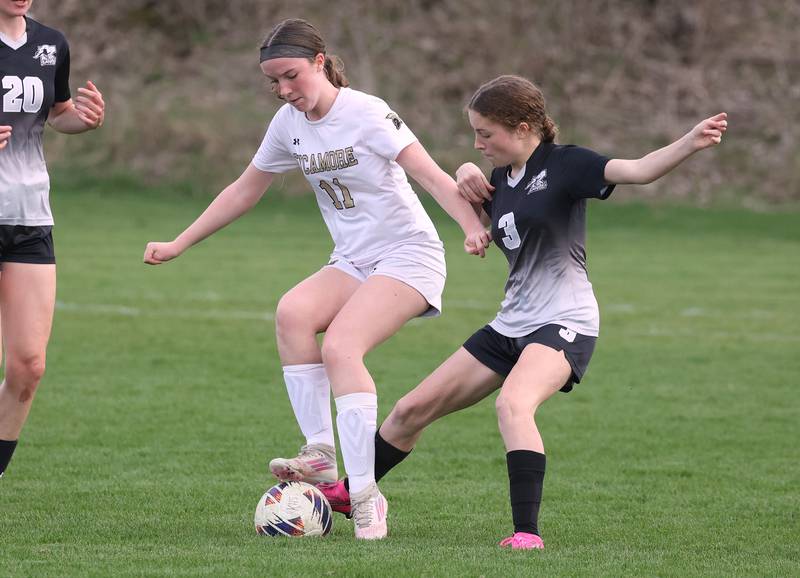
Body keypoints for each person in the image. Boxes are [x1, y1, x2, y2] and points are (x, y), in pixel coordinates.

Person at [314, 75, 728, 549]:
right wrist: (469, 174)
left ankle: (527, 534)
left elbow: (639, 169)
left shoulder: (567, 164)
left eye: (485, 134)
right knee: (410, 409)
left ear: (523, 127)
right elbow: (482, 207)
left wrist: (690, 142)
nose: (478, 143)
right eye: (474, 133)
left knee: (513, 404)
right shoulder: (502, 180)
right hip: (511, 323)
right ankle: (352, 493)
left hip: (563, 322)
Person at [142, 18, 489, 540]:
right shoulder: (288, 123)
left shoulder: (368, 113)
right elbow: (244, 190)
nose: (283, 91)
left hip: (409, 255)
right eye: (273, 82)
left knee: (342, 346)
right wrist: (180, 241)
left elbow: (432, 176)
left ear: (320, 62)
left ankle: (367, 495)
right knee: (293, 313)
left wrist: (470, 228)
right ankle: (321, 456)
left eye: (291, 76)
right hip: (352, 259)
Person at [0, 0, 105, 480]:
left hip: (30, 217)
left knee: (29, 365)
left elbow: (57, 112)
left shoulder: (50, 43)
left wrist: (80, 120)